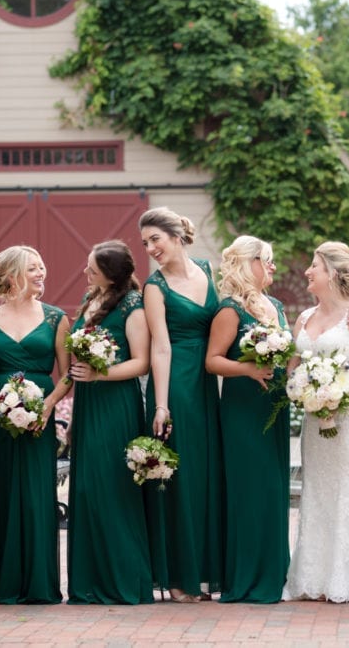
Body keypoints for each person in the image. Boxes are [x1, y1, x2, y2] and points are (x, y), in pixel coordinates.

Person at [283, 241, 349, 603]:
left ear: (334, 275)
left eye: (314, 266)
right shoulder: (304, 319)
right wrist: (302, 390)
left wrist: (338, 397)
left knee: (348, 492)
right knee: (318, 490)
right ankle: (311, 577)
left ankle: (344, 580)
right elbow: (293, 370)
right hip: (314, 417)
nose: (308, 272)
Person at [0, 246, 69, 604]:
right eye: (33, 268)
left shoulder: (56, 318)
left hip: (40, 420)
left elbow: (67, 375)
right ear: (13, 274)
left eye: (42, 267)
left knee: (36, 496)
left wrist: (46, 407)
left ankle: (38, 584)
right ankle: (1, 583)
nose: (41, 273)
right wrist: (1, 403)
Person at [140, 207, 223, 603]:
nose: (150, 248)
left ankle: (204, 573)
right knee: (178, 480)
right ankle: (177, 579)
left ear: (177, 236)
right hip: (174, 387)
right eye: (146, 243)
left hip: (207, 386)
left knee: (205, 475)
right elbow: (160, 345)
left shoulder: (208, 270)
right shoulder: (155, 287)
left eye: (155, 239)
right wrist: (160, 404)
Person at [65, 240, 154, 604]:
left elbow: (142, 362)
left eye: (93, 269)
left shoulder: (132, 306)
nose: (86, 272)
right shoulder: (91, 300)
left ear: (111, 273)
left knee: (112, 488)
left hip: (116, 404)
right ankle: (89, 582)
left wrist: (101, 376)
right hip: (87, 405)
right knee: (87, 490)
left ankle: (124, 581)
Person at [205, 236, 290, 604]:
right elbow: (212, 360)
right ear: (249, 263)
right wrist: (247, 368)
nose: (272, 267)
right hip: (243, 410)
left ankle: (274, 574)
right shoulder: (230, 310)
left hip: (276, 406)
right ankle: (246, 578)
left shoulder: (277, 306)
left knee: (273, 491)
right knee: (249, 491)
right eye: (267, 260)